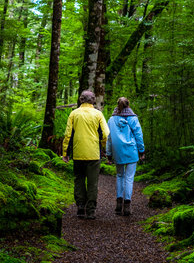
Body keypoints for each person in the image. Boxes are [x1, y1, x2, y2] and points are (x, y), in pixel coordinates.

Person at [62, 90, 110, 219]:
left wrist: (65, 153)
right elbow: (105, 134)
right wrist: (106, 149)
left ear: (81, 99)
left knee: (79, 180)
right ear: (93, 100)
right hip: (94, 154)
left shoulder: (73, 114)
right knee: (93, 183)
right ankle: (91, 210)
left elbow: (68, 135)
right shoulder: (98, 114)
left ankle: (80, 207)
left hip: (78, 153)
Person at [106, 97, 145, 216]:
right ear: (128, 105)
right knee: (129, 178)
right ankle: (127, 205)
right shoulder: (133, 118)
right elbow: (138, 134)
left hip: (117, 151)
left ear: (117, 105)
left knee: (119, 176)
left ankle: (118, 204)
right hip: (131, 150)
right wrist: (141, 150)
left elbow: (109, 138)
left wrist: (109, 154)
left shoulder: (112, 120)